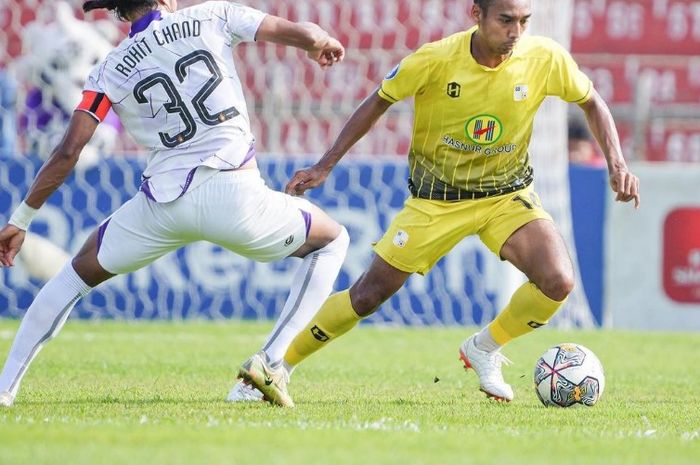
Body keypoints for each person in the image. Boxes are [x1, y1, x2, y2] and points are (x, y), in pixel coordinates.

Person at [239, 0, 640, 408]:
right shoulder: (435, 59)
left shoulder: (544, 57)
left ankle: (484, 347)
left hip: (506, 194)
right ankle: (275, 367)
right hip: (436, 201)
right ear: (476, 15)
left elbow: (592, 101)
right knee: (367, 295)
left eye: (524, 21)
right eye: (505, 20)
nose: (516, 31)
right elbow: (379, 99)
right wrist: (325, 165)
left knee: (558, 281)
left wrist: (617, 164)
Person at [0, 0, 348, 408]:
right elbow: (302, 33)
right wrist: (319, 41)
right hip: (234, 193)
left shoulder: (110, 68)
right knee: (331, 241)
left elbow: (68, 152)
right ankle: (269, 365)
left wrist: (21, 219)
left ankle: (5, 388)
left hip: (161, 206)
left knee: (71, 278)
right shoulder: (214, 15)